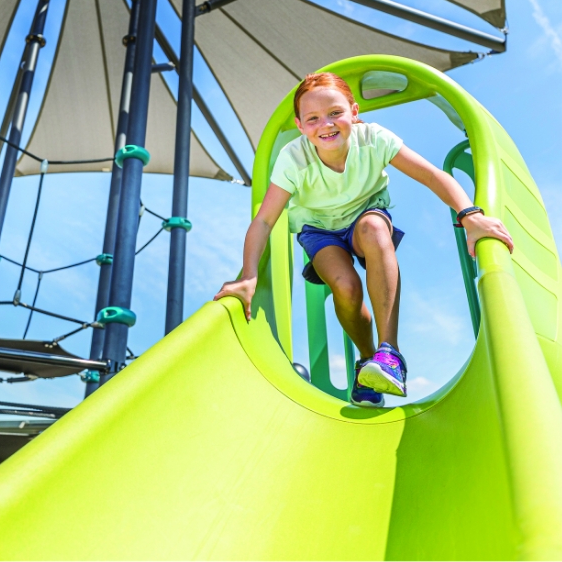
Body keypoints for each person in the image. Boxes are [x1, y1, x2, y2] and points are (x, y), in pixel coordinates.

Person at [215, 72, 513, 408]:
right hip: (319, 230)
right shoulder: (294, 158)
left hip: (366, 215)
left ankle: (390, 354)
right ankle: (367, 359)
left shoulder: (373, 139)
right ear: (300, 125)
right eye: (313, 118)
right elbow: (265, 219)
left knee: (373, 228)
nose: (325, 124)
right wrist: (249, 275)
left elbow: (431, 174)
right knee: (346, 288)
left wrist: (470, 215)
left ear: (354, 112)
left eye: (335, 113)